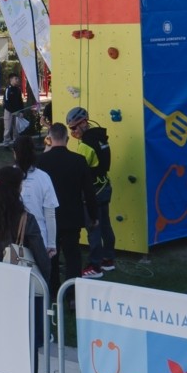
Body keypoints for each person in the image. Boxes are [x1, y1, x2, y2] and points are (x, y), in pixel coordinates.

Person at [37, 123, 92, 277]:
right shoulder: (79, 160)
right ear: (67, 139)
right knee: (73, 256)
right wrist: (93, 216)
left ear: (49, 138)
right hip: (72, 216)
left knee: (51, 255)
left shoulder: (40, 161)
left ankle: (53, 288)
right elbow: (89, 192)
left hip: (49, 216)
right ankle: (72, 290)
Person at [13, 133, 61, 291]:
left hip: (13, 235)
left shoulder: (8, 175)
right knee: (40, 282)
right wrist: (52, 243)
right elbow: (50, 214)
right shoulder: (43, 177)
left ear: (15, 153)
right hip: (39, 236)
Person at [69, 107, 115, 265]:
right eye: (70, 129)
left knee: (93, 227)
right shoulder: (100, 138)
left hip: (93, 191)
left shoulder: (85, 145)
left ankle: (95, 265)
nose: (72, 132)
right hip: (105, 186)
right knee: (106, 225)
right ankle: (108, 259)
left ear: (84, 123)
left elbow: (79, 170)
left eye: (74, 128)